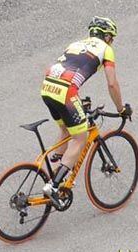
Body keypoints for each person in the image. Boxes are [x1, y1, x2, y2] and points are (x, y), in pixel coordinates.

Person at [39, 16, 132, 199]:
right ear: (106, 36)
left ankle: (48, 172)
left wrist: (78, 102)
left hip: (47, 87)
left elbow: (66, 70)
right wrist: (121, 109)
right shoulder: (106, 50)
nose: (111, 42)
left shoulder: (75, 44)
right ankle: (54, 186)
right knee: (80, 138)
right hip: (66, 92)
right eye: (111, 38)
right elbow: (112, 84)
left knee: (65, 128)